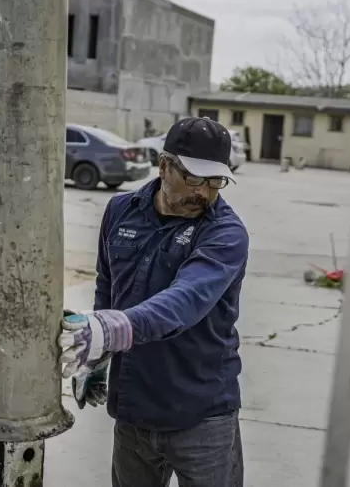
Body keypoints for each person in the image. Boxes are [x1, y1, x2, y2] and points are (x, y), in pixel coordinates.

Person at [59, 116, 249, 487]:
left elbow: (185, 300)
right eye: (194, 178)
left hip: (202, 415)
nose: (205, 193)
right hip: (134, 410)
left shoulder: (225, 233)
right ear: (164, 165)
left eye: (216, 181)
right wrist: (99, 356)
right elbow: (108, 285)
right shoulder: (120, 210)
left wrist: (112, 331)